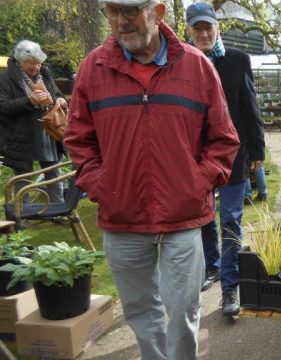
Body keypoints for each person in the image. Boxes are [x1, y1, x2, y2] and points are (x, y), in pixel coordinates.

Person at [64, 1, 240, 359]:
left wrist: (197, 183)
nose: (119, 21)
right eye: (111, 12)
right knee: (141, 315)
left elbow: (223, 139)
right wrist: (101, 185)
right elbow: (78, 140)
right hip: (122, 218)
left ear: (158, 12)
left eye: (129, 11)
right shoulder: (93, 68)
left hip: (183, 217)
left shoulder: (196, 66)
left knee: (184, 313)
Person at [186, 3, 265, 317]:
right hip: (195, 159)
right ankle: (212, 266)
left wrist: (257, 151)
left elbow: (250, 106)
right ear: (189, 31)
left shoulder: (236, 60)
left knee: (231, 220)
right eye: (198, 28)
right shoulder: (181, 62)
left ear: (217, 28)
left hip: (233, 155)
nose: (204, 33)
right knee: (203, 217)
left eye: (209, 27)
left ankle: (230, 287)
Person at [0, 40, 66, 204]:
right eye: (31, 63)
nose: (36, 67)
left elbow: (57, 93)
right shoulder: (5, 77)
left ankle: (58, 211)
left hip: (48, 131)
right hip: (19, 133)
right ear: (18, 61)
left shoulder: (44, 73)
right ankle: (22, 216)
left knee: (53, 171)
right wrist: (30, 101)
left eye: (38, 63)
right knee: (23, 176)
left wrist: (61, 101)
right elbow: (3, 107)